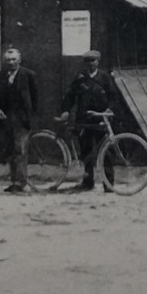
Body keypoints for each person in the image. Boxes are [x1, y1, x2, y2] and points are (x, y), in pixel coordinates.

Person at [59, 50, 130, 191]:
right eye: (88, 61)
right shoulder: (80, 78)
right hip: (84, 118)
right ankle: (87, 182)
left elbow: (114, 96)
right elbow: (71, 96)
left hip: (100, 119)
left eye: (93, 61)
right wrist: (66, 110)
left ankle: (108, 184)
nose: (90, 64)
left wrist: (110, 109)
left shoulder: (105, 78)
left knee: (106, 152)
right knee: (86, 151)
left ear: (98, 61)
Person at [0, 47, 38, 192]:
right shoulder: (1, 77)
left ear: (19, 60)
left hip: (23, 120)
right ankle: (14, 180)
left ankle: (20, 182)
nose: (11, 63)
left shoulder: (28, 75)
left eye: (14, 59)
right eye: (8, 60)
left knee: (20, 150)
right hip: (7, 120)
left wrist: (31, 117)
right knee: (11, 150)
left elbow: (35, 99)